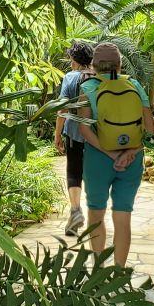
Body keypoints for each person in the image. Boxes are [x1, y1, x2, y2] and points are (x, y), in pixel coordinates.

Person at [76, 42, 154, 266]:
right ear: (120, 64)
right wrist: (130, 152)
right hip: (132, 160)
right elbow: (150, 129)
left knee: (96, 212)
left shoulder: (88, 87)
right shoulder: (135, 85)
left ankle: (99, 271)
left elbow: (84, 129)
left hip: (98, 159)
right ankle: (119, 272)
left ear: (94, 65)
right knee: (123, 217)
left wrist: (111, 155)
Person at [54, 41, 94, 236]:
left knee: (74, 172)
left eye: (71, 59)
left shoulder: (70, 78)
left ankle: (76, 210)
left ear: (76, 61)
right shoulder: (100, 78)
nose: (70, 63)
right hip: (96, 136)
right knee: (94, 174)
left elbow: (62, 109)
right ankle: (97, 218)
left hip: (74, 133)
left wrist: (57, 135)